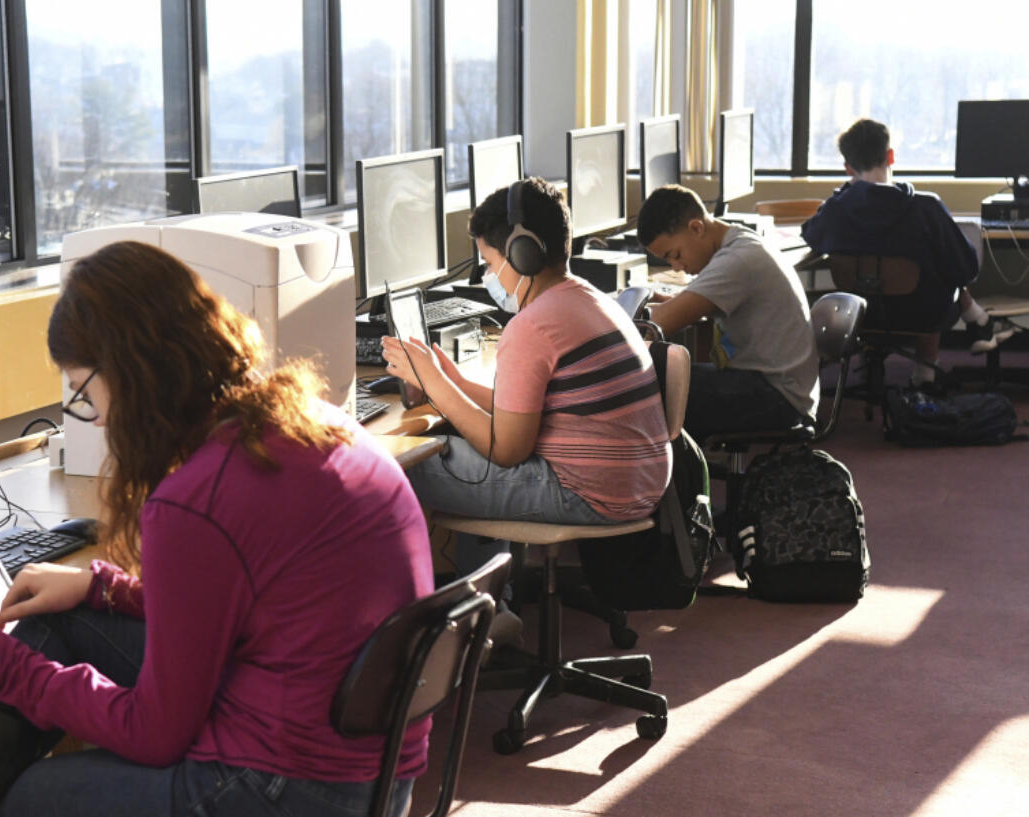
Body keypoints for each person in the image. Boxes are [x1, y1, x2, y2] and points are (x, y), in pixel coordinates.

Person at [0, 241, 434, 817]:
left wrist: (8, 669)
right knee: (61, 620)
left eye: (88, 395)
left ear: (132, 375)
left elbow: (156, 733)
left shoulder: (198, 500)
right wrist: (105, 589)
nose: (102, 418)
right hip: (374, 769)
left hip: (290, 790)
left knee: (24, 799)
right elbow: (244, 601)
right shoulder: (311, 424)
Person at [382, 177, 672, 633]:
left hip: (591, 493)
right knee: (459, 441)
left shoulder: (533, 325)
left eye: (490, 262)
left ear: (523, 254)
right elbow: (521, 410)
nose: (487, 276)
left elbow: (507, 450)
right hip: (638, 482)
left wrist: (435, 385)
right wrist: (453, 383)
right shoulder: (589, 299)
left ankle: (441, 629)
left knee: (399, 471)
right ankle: (493, 608)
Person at [801, 117, 1013, 390]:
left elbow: (811, 235)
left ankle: (974, 323)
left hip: (855, 316)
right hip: (919, 312)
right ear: (890, 155)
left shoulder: (835, 210)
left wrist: (842, 195)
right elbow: (966, 268)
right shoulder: (925, 207)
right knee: (940, 266)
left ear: (847, 167)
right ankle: (927, 373)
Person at [637, 184, 819, 440]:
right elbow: (690, 304)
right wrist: (662, 303)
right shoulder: (738, 242)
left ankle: (666, 476)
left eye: (675, 254)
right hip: (778, 385)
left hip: (778, 397)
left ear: (696, 228)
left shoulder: (737, 260)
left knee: (645, 383)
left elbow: (661, 324)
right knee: (663, 376)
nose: (676, 267)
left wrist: (606, 315)